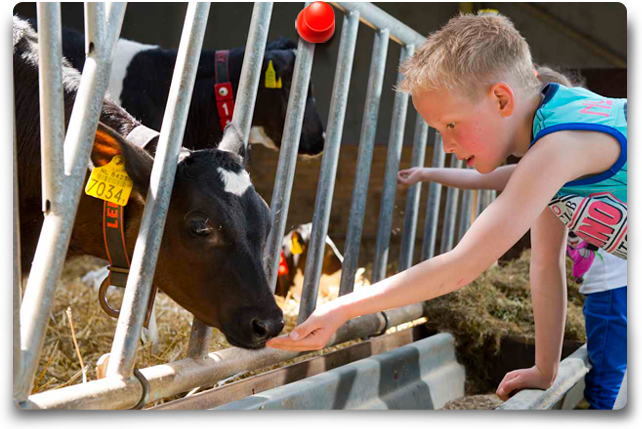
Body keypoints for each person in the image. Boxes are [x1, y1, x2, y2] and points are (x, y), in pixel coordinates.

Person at [267, 13, 627, 407]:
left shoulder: (559, 145)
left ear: (502, 99)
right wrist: (545, 369)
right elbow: (545, 265)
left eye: (451, 124)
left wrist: (340, 308)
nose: (446, 145)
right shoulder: (546, 144)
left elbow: (461, 266)